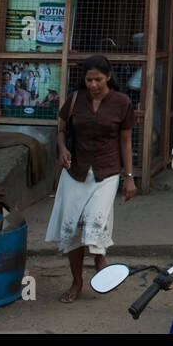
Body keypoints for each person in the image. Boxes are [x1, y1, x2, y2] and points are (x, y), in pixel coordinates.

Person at [44, 55, 137, 303]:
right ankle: (77, 281)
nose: (93, 85)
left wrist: (129, 177)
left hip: (107, 171)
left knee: (95, 221)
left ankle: (98, 256)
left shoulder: (122, 102)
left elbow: (126, 141)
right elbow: (61, 128)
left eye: (98, 79)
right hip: (76, 170)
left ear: (108, 77)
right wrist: (62, 149)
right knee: (72, 227)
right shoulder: (75, 99)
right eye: (88, 80)